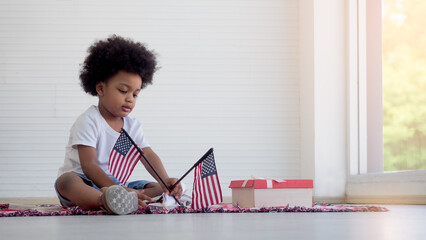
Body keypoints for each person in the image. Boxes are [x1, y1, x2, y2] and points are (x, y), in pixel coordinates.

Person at [55, 35, 182, 215]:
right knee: (66, 182)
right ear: (100, 89)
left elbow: (147, 154)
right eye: (123, 91)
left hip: (115, 182)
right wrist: (117, 190)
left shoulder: (132, 125)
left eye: (135, 94)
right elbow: (89, 166)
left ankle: (128, 198)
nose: (129, 98)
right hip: (84, 180)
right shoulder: (89, 120)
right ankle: (104, 199)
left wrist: (165, 180)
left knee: (156, 187)